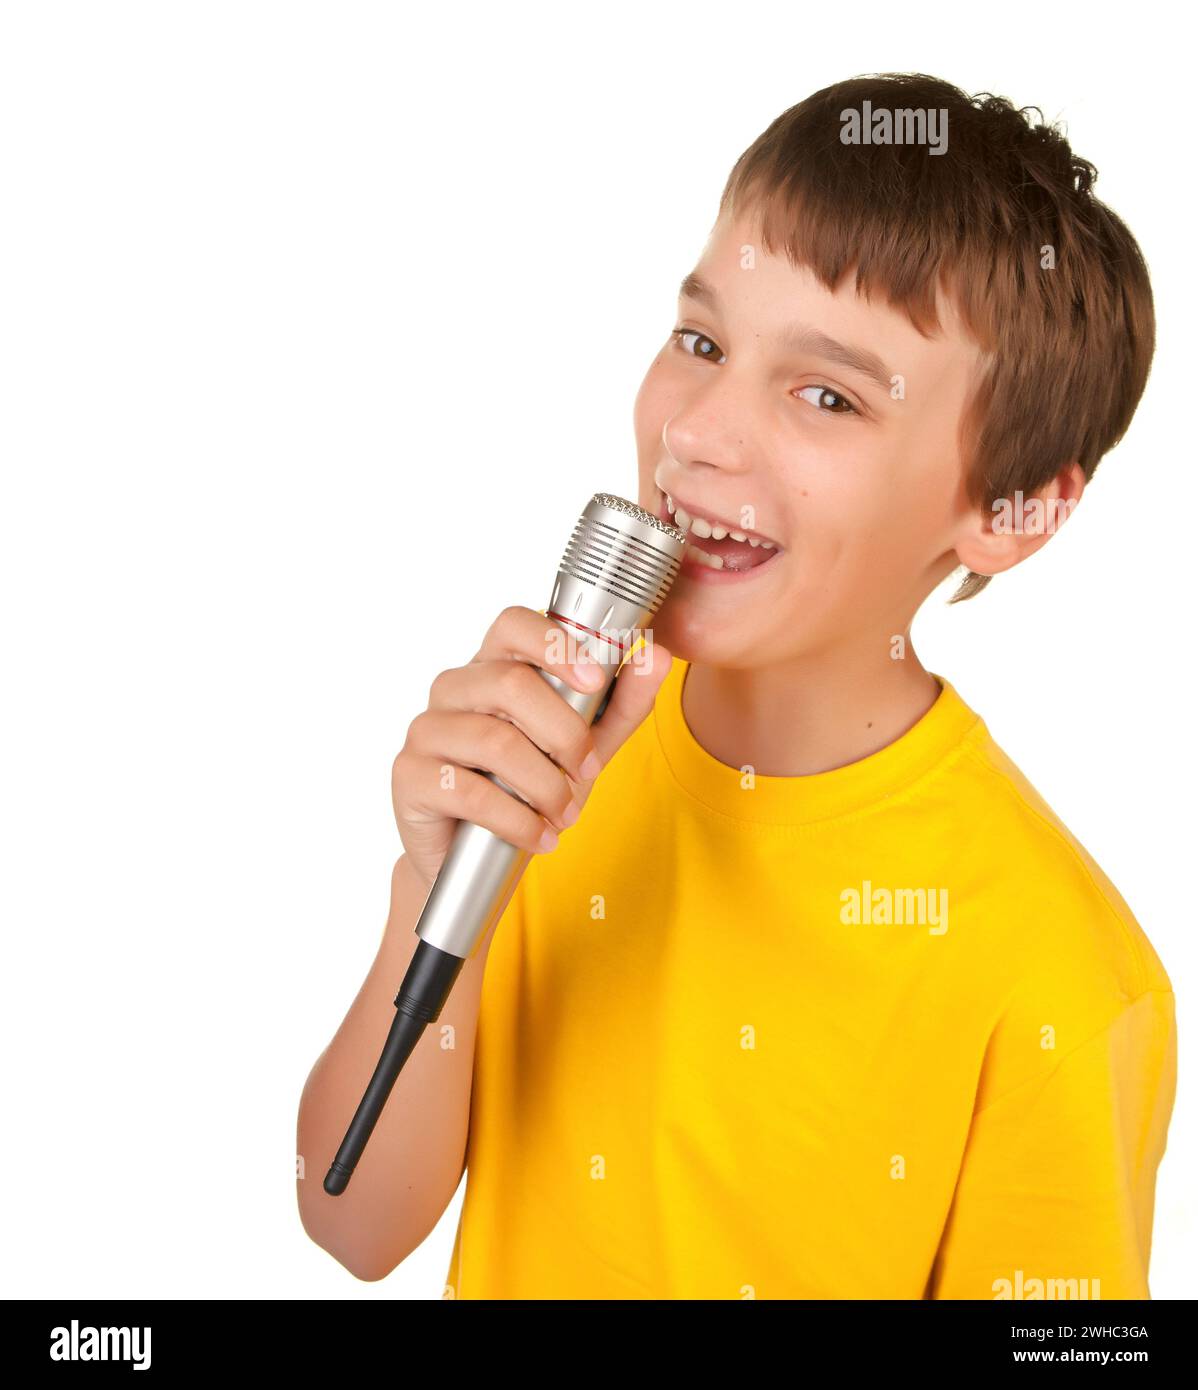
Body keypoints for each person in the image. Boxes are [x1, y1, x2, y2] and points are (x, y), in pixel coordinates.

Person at [297, 71, 1177, 1300]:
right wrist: (437, 884)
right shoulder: (560, 767)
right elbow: (351, 1223)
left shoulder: (1061, 978)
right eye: (701, 341)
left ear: (1005, 510)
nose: (700, 430)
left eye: (827, 395)